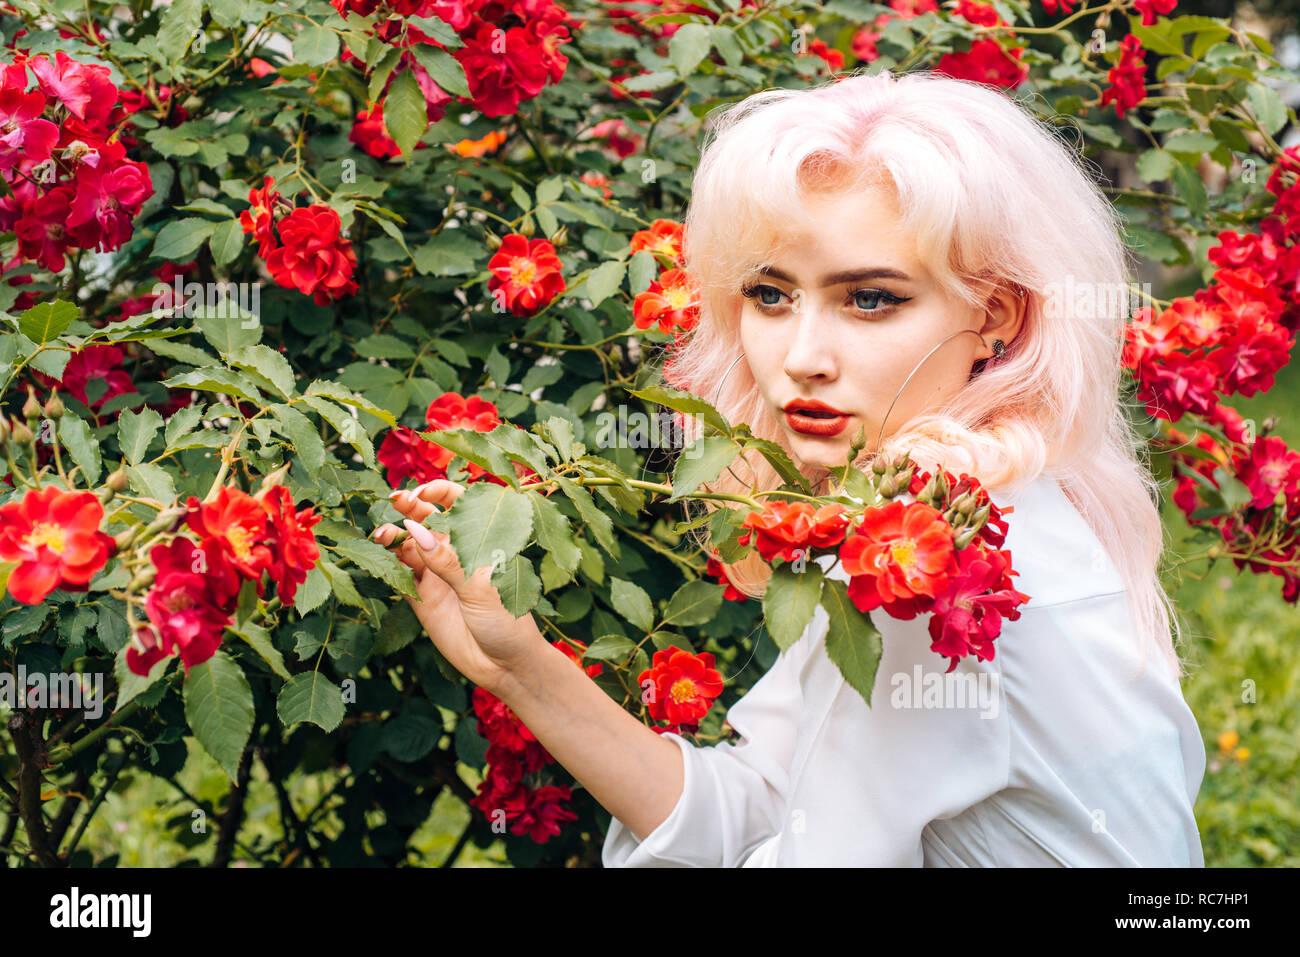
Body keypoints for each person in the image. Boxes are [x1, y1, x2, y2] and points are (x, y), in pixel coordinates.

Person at [372, 68, 1206, 866]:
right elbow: (766, 798)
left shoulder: (946, 577)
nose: (801, 356)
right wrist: (521, 665)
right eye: (770, 295)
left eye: (870, 298)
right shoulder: (956, 512)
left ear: (996, 316)